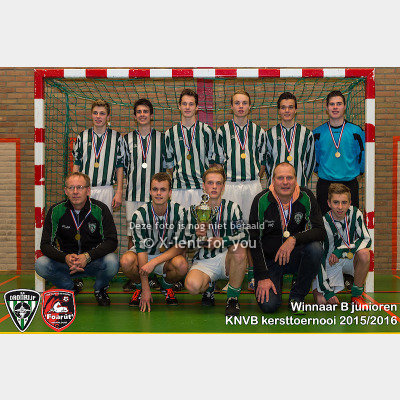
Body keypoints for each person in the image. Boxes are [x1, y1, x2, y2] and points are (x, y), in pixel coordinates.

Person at [249, 162, 326, 313]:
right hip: (270, 261)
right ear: (273, 181)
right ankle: (273, 281)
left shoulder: (306, 197)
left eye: (289, 178)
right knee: (269, 306)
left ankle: (297, 296)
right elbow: (254, 240)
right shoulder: (261, 200)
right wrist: (263, 276)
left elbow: (320, 231)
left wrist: (294, 239)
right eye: (280, 178)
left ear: (295, 180)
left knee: (315, 248)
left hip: (294, 256)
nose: (285, 182)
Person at [35, 172, 119, 306]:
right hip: (67, 264)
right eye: (71, 188)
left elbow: (112, 241)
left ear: (88, 190)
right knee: (41, 264)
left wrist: (87, 256)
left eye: (80, 187)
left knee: (112, 261)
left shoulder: (100, 209)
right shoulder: (56, 211)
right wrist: (65, 258)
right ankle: (70, 288)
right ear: (65, 191)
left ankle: (100, 289)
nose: (75, 192)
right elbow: (45, 244)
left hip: (92, 262)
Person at [213, 89, 267, 291]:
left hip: (252, 185)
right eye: (237, 103)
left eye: (244, 103)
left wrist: (253, 177)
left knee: (253, 231)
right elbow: (217, 163)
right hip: (231, 186)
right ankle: (232, 277)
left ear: (250, 106)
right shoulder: (222, 131)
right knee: (231, 231)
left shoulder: (259, 131)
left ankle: (254, 275)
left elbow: (263, 162)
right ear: (231, 106)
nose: (241, 106)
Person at [119, 172, 189, 312]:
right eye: (155, 189)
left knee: (182, 265)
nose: (158, 193)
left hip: (166, 257)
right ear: (150, 191)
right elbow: (141, 251)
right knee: (126, 261)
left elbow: (179, 247)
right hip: (144, 255)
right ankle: (139, 287)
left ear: (170, 192)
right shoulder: (139, 215)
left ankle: (166, 286)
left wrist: (154, 262)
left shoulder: (180, 212)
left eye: (163, 189)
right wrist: (146, 288)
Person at [184, 166, 249, 316]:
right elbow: (185, 244)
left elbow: (244, 234)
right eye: (210, 183)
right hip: (205, 260)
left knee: (239, 249)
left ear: (223, 187)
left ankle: (232, 299)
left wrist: (222, 240)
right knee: (192, 286)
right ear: (204, 186)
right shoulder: (194, 211)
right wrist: (195, 234)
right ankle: (209, 287)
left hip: (228, 258)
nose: (214, 186)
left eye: (218, 183)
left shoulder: (233, 208)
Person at [122, 98, 166, 292]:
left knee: (159, 236)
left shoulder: (162, 138)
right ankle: (136, 278)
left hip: (155, 197)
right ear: (134, 116)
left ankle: (155, 275)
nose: (142, 115)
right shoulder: (126, 139)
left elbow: (168, 167)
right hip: (133, 195)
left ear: (151, 115)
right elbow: (123, 167)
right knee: (133, 236)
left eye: (145, 111)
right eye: (139, 112)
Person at [312, 183, 371, 308]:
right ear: (329, 203)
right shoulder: (323, 223)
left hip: (349, 259)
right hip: (330, 262)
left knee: (365, 254)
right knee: (322, 302)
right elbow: (320, 259)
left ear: (350, 203)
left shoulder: (356, 214)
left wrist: (340, 251)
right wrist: (326, 291)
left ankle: (356, 295)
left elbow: (366, 239)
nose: (340, 207)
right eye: (336, 202)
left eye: (344, 202)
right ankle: (331, 285)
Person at [313, 90, 365, 215]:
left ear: (345, 106)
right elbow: (315, 160)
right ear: (327, 107)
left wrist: (357, 172)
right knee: (324, 222)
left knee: (350, 222)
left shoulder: (356, 131)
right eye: (332, 104)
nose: (335, 107)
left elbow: (362, 157)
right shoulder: (317, 133)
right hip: (325, 185)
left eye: (339, 104)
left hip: (349, 184)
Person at [165, 88, 217, 209]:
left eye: (191, 104)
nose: (187, 107)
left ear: (197, 107)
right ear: (179, 106)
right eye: (184, 104)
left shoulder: (207, 131)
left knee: (202, 221)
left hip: (201, 189)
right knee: (179, 221)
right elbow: (170, 166)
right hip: (178, 189)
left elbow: (212, 162)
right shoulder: (170, 133)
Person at [72, 99, 128, 212]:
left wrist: (119, 192)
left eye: (102, 113)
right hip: (84, 189)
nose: (98, 116)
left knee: (104, 222)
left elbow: (120, 166)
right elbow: (76, 164)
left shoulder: (117, 137)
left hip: (106, 189)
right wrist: (74, 188)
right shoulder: (82, 136)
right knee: (83, 221)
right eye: (95, 113)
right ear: (91, 115)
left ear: (108, 117)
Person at [266, 92, 315, 187]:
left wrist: (301, 178)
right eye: (283, 107)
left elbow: (310, 163)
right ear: (279, 111)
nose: (287, 111)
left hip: (299, 186)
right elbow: (268, 163)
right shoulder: (269, 134)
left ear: (295, 110)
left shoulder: (307, 134)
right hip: (276, 187)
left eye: (291, 107)